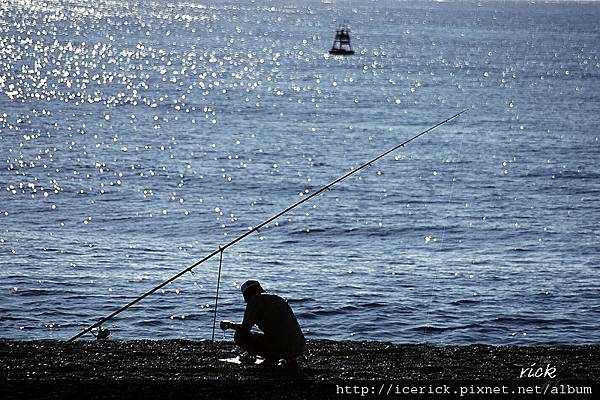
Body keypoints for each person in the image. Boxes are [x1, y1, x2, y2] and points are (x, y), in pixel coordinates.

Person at [220, 280, 305, 368]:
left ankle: (271, 358)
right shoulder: (277, 298)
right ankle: (290, 360)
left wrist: (229, 324)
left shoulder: (255, 301)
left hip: (281, 348)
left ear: (246, 294)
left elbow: (245, 328)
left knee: (240, 335)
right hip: (299, 346)